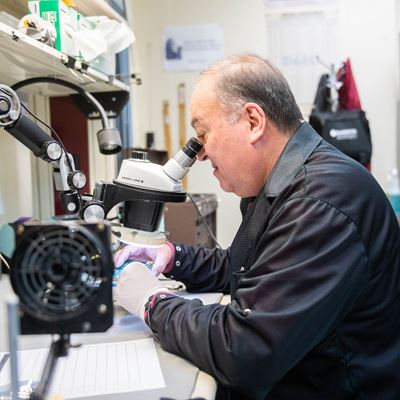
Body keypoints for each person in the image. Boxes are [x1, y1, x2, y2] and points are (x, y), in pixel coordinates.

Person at [114, 54, 400, 400]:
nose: (199, 155)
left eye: (203, 134)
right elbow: (247, 268)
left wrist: (152, 303)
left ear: (253, 121)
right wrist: (172, 257)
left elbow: (246, 349)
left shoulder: (320, 201)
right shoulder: (284, 185)